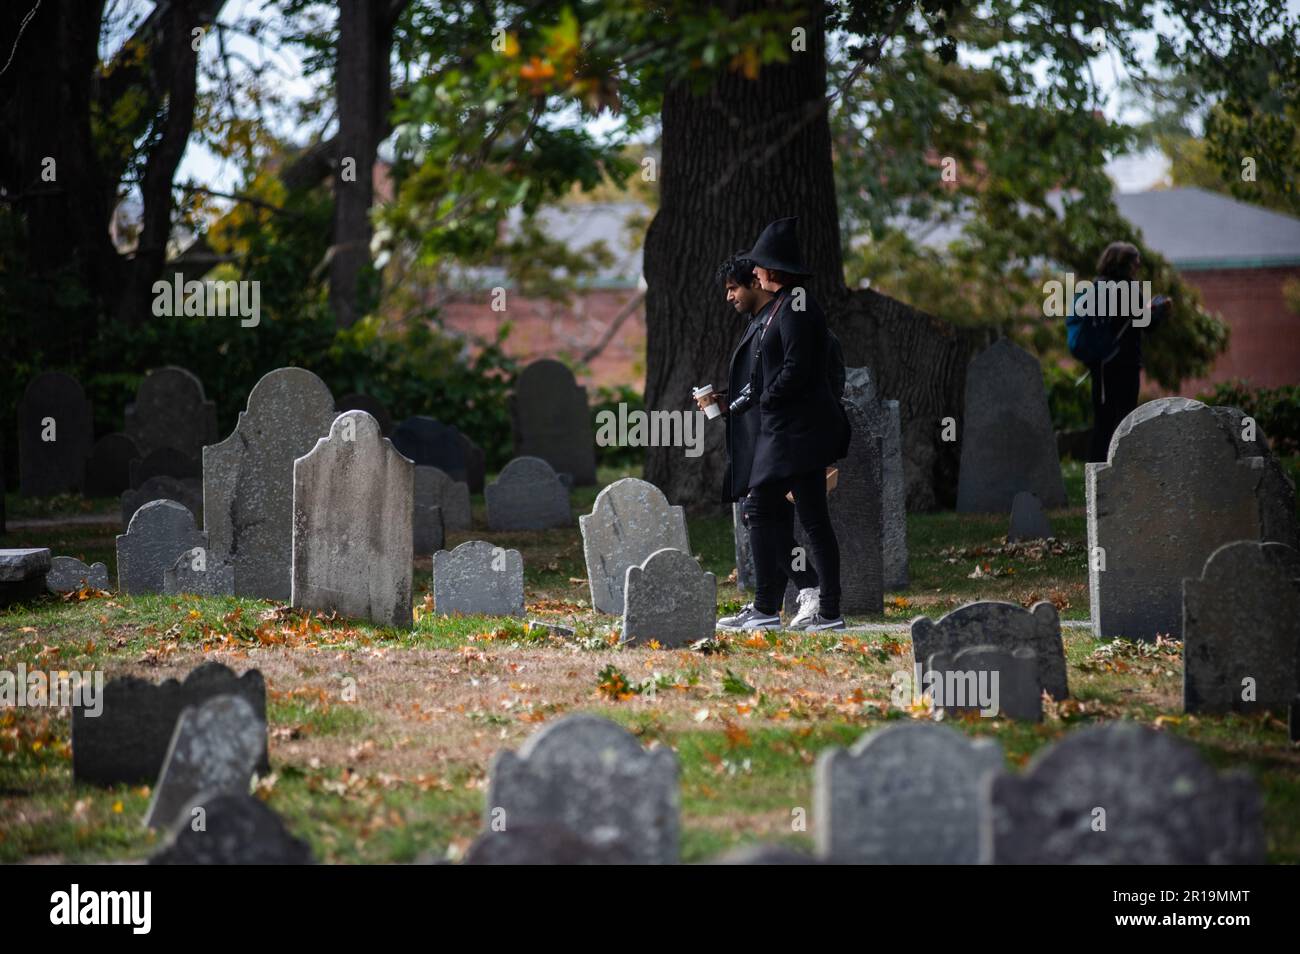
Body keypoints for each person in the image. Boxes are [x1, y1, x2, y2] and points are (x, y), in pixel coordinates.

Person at [697, 217, 850, 631]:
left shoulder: (798, 303)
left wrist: (766, 397)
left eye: (759, 266)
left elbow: (799, 367)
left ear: (772, 269)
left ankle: (826, 606)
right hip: (785, 433)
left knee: (810, 517)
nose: (755, 272)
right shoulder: (782, 306)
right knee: (760, 509)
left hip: (802, 434)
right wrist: (739, 401)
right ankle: (769, 606)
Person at [1085, 241, 1171, 462]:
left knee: (1102, 421)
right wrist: (1159, 310)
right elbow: (1145, 323)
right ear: (1125, 265)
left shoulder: (1096, 287)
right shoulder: (1129, 288)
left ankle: (1095, 470)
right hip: (1125, 363)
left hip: (1101, 364)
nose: (1137, 269)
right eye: (1135, 265)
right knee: (1125, 419)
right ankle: (1120, 466)